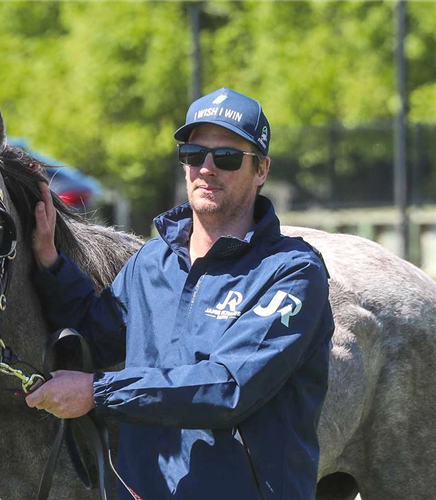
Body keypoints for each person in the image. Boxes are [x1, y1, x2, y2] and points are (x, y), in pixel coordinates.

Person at [25, 87, 335, 499]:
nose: (205, 168)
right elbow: (95, 339)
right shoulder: (152, 261)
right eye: (193, 154)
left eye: (226, 157)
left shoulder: (293, 273)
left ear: (261, 170)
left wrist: (96, 392)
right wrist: (49, 262)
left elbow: (228, 387)